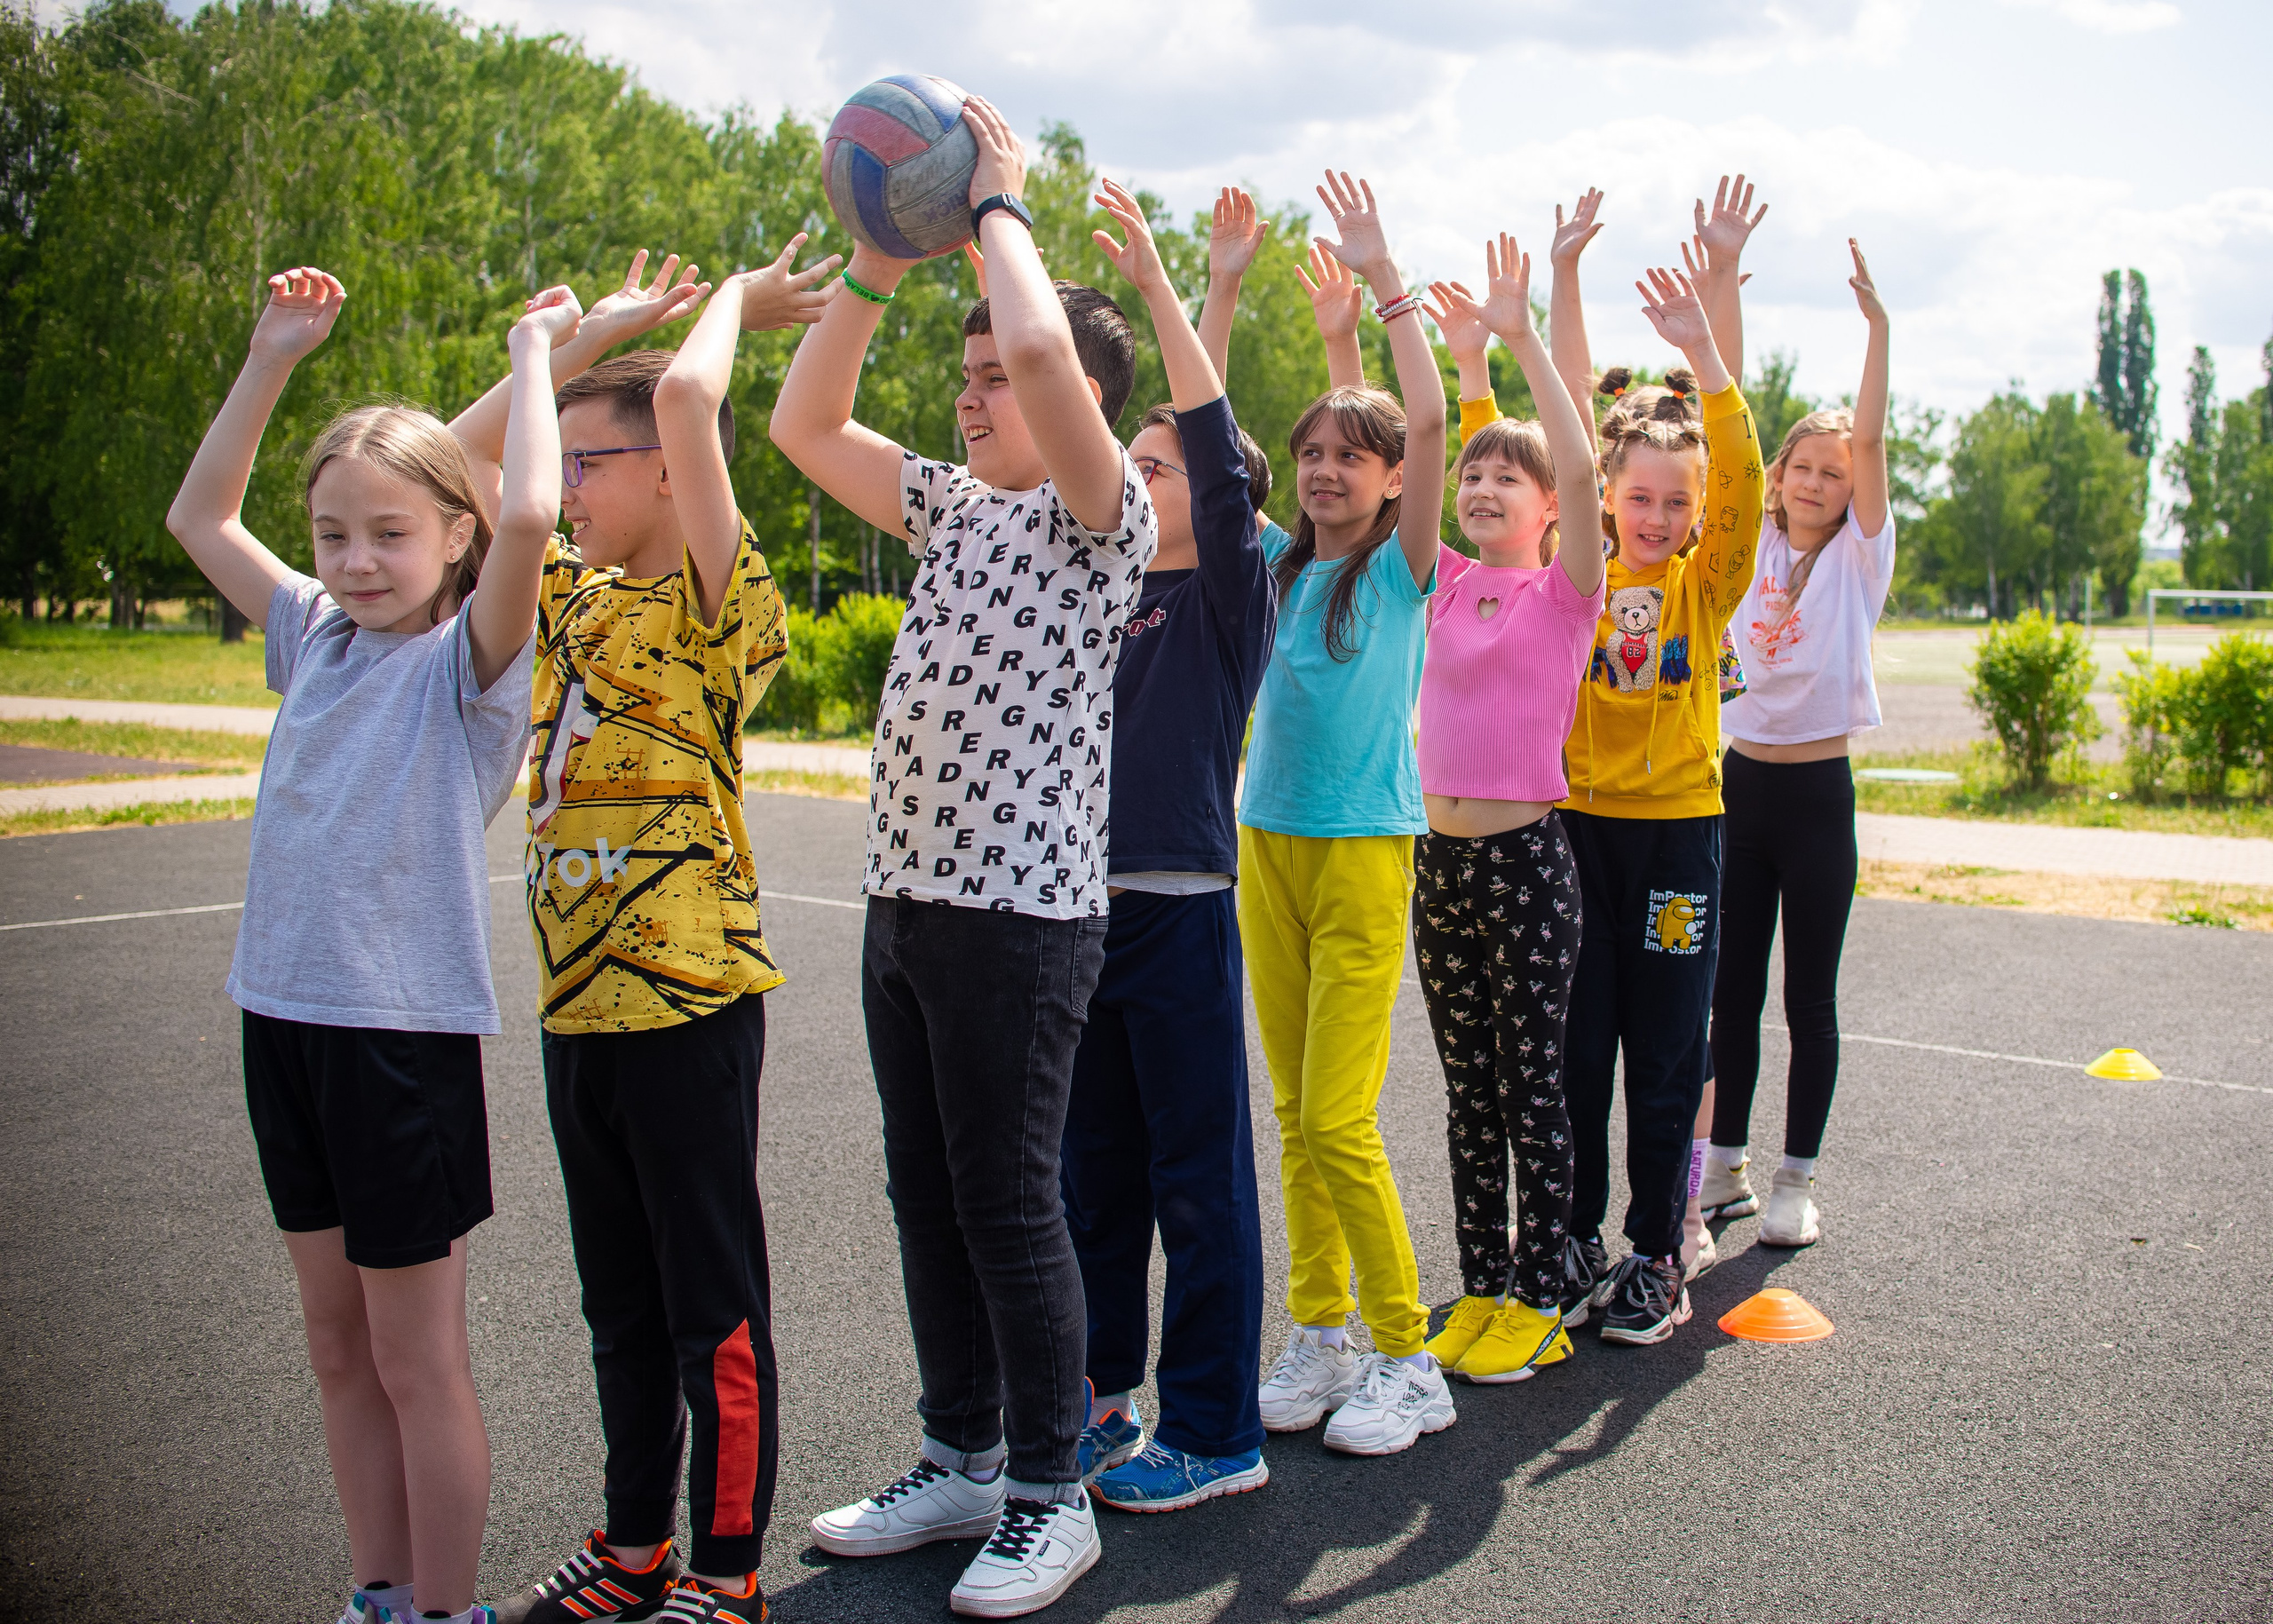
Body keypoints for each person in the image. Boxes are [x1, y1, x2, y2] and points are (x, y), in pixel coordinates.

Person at [769, 98, 1156, 1619]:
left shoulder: (1100, 519)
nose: (976, 392)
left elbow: (1051, 353)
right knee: (926, 1193)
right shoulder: (946, 505)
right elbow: (804, 425)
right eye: (968, 373)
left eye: (998, 376)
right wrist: (875, 264)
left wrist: (998, 202)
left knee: (1006, 1200)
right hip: (908, 904)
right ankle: (964, 1455)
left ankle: (1055, 1492)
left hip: (1019, 917)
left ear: (1079, 410)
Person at [165, 266, 569, 1624]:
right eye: (332, 533)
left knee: (414, 1360)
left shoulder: (470, 667)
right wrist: (274, 354)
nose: (353, 560)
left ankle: (446, 1611)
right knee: (336, 1348)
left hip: (398, 1042)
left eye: (389, 534)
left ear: (456, 538)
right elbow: (199, 516)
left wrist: (535, 351)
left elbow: (527, 510)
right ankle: (381, 1595)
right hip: (279, 1022)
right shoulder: (314, 637)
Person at [480, 239, 839, 1624]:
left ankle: (728, 1572)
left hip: (686, 1001)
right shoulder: (560, 590)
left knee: (711, 1309)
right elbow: (459, 471)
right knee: (618, 1305)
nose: (567, 483)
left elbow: (690, 401)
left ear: (675, 478)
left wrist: (734, 305)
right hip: (577, 1006)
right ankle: (636, 1548)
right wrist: (563, 348)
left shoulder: (713, 599)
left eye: (593, 462)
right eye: (565, 460)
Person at [1057, 180, 1277, 1514]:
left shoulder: (1227, 596)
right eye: (1128, 466)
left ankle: (1215, 1431)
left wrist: (1175, 289)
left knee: (1200, 1189)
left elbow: (1213, 446)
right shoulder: (1095, 585)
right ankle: (1101, 1402)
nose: (1135, 479)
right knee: (1093, 1184)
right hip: (1076, 915)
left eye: (1158, 469)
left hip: (1180, 913)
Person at [1240, 171, 1453, 1458]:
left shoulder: (1400, 568)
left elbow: (1420, 416)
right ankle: (1319, 1331)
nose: (1324, 470)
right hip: (1265, 843)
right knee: (1291, 1114)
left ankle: (1406, 1354)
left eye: (1349, 459)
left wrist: (1381, 284)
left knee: (1337, 1117)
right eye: (1310, 453)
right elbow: (1352, 427)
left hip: (1364, 850)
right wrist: (1330, 348)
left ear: (1391, 483)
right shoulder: (1279, 563)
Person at [1546, 242, 1766, 1348]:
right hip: (1580, 832)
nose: (1656, 514)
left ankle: (1655, 1252)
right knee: (1581, 1047)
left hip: (1679, 838)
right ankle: (1574, 1237)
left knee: (1667, 1047)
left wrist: (1707, 361)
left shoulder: (1704, 585)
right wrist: (1558, 285)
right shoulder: (1574, 567)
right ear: (1606, 495)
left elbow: (1747, 487)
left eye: (1677, 501)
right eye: (1638, 495)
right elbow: (1560, 432)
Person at [1406, 236, 1605, 1385]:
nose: (1481, 488)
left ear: (1543, 509)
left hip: (1526, 862)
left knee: (1533, 1087)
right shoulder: (1441, 580)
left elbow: (1582, 471)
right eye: (1473, 476)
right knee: (1467, 1091)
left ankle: (1542, 1290)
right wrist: (1405, 329)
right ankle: (1482, 1284)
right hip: (1439, 866)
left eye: (1505, 480)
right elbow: (1416, 454)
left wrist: (1520, 340)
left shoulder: (1565, 591)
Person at [1703, 242, 1893, 1249]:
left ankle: (1794, 1180)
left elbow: (1871, 437)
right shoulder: (1750, 546)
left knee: (1807, 997)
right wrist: (1719, 299)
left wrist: (1878, 330)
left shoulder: (1859, 556)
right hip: (1737, 791)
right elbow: (1724, 415)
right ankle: (1723, 1163)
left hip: (1818, 798)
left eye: (1835, 470)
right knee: (1727, 994)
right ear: (1775, 479)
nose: (1817, 480)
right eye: (1802, 466)